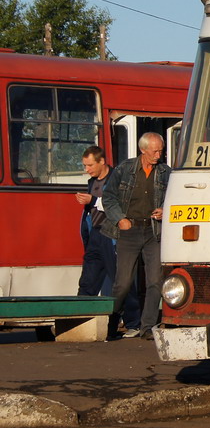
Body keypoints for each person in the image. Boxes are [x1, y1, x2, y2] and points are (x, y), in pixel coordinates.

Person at [103, 133, 170, 340]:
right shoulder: (125, 169)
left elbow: (175, 198)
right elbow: (108, 197)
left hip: (153, 231)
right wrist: (120, 219)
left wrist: (163, 209)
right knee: (122, 283)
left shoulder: (166, 172)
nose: (158, 155)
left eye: (161, 150)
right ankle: (111, 323)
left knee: (155, 281)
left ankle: (148, 326)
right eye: (155, 151)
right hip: (128, 230)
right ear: (143, 150)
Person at [75, 146, 143, 331]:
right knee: (88, 280)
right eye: (85, 165)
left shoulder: (118, 179)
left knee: (120, 281)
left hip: (113, 235)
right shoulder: (92, 182)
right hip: (95, 236)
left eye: (90, 165)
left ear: (102, 161)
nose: (87, 169)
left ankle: (132, 323)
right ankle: (80, 320)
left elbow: (119, 205)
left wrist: (93, 200)